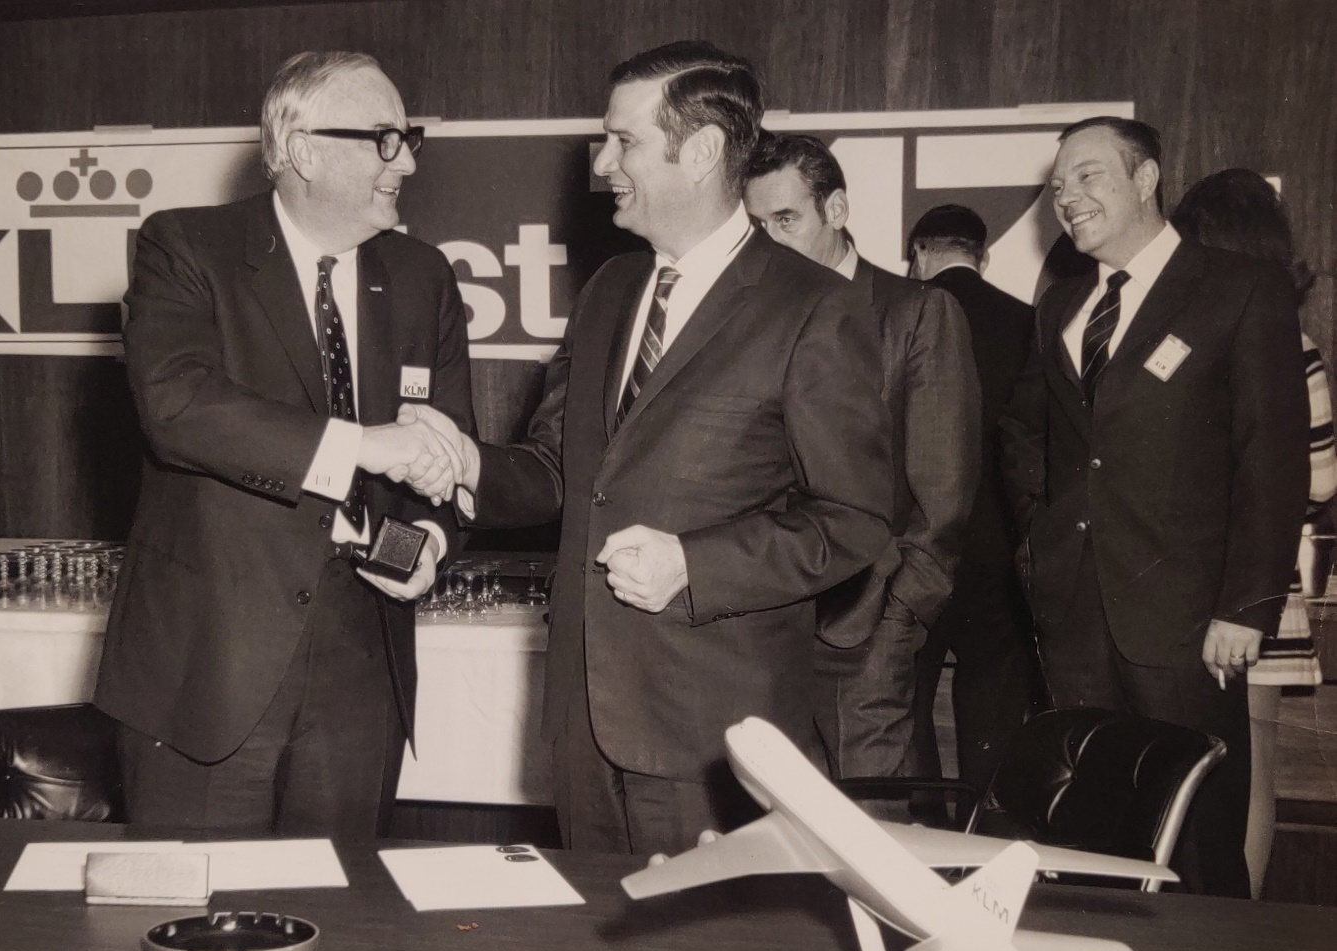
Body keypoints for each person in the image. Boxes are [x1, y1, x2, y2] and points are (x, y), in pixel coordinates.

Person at [403, 41, 895, 853]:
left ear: (699, 151)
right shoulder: (611, 291)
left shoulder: (812, 308)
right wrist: (471, 464)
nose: (602, 163)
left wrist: (694, 564)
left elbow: (855, 518)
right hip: (582, 727)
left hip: (710, 734)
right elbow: (561, 469)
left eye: (623, 141)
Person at [95, 51, 474, 839]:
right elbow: (178, 405)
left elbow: (438, 456)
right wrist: (363, 443)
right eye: (384, 139)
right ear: (302, 149)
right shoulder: (185, 248)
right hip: (208, 665)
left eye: (408, 139)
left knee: (343, 929)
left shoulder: (422, 276)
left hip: (361, 668)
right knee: (190, 921)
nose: (404, 160)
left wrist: (425, 543)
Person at [1001, 117, 1309, 897]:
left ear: (1147, 180)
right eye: (1059, 184)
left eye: (1089, 175)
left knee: (1198, 836)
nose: (1067, 196)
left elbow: (1272, 461)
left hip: (1189, 623)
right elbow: (1029, 436)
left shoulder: (1238, 288)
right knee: (1094, 834)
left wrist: (1247, 605)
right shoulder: (1059, 305)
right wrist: (1040, 542)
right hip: (1075, 614)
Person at [741, 136, 978, 806]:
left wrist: (899, 618)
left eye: (786, 220)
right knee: (777, 827)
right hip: (763, 622)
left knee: (866, 830)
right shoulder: (747, 320)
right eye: (756, 227)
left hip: (867, 625)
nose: (770, 243)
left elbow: (945, 493)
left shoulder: (917, 312)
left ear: (836, 208)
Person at [1170, 167, 1337, 896]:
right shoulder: (1292, 337)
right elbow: (1323, 477)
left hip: (1217, 581)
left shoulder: (1219, 331)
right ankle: (1239, 923)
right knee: (1252, 764)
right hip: (1266, 581)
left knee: (1204, 766)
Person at [903, 204, 1040, 805]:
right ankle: (986, 842)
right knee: (996, 712)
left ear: (918, 255)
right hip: (1000, 553)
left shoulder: (900, 314)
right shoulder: (1031, 322)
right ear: (983, 257)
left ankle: (922, 840)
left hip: (917, 548)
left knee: (905, 709)